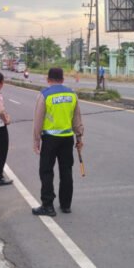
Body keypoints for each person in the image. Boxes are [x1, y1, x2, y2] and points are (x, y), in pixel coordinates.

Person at [31, 66, 84, 217]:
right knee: (66, 171)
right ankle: (66, 205)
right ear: (62, 79)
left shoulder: (45, 95)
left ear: (48, 80)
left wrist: (36, 141)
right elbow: (77, 119)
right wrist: (79, 138)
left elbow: (38, 120)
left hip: (50, 139)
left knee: (46, 171)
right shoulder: (72, 95)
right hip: (67, 138)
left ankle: (48, 206)